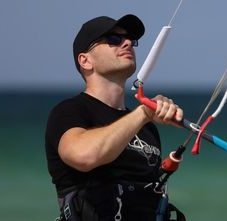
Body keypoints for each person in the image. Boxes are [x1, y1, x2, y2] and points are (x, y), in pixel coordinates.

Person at [45, 14, 185, 221]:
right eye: (113, 39)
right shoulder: (69, 111)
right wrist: (144, 112)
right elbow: (84, 156)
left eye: (130, 39)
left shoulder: (147, 129)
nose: (127, 42)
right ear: (85, 60)